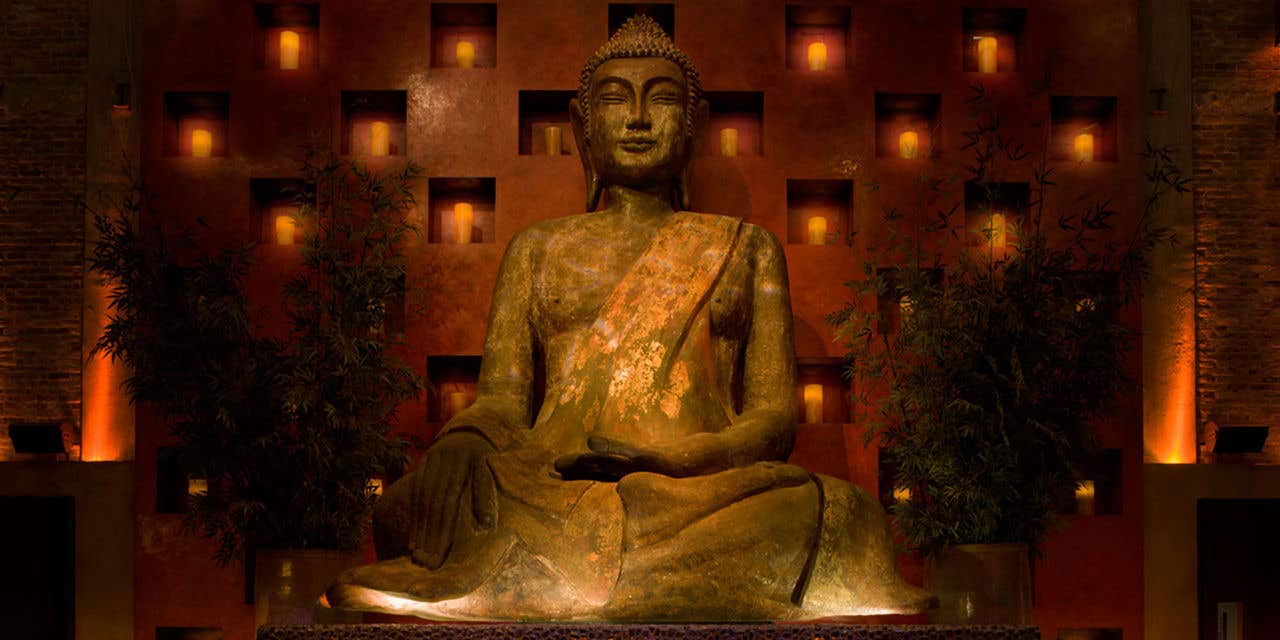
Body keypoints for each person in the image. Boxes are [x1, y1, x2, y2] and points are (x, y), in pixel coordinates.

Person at [326, 15, 930, 621]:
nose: (638, 119)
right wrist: (462, 443)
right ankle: (656, 592)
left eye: (661, 99)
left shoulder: (746, 247)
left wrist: (673, 461)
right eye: (616, 99)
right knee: (415, 506)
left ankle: (550, 591)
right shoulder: (538, 248)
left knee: (845, 517)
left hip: (697, 493)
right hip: (550, 487)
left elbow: (774, 419)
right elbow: (504, 404)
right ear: (582, 127)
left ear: (693, 130)